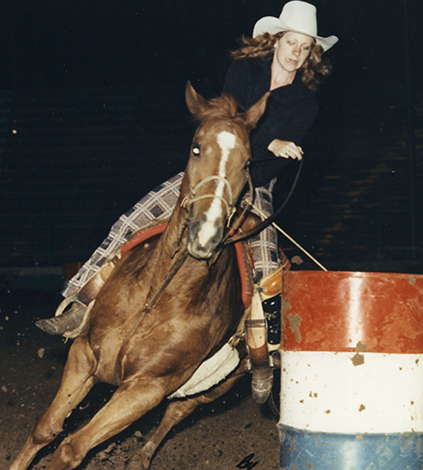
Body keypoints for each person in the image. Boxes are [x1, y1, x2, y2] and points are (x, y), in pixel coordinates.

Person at [35, 1, 338, 343]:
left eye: (305, 46)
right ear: (277, 40)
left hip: (255, 185)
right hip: (211, 174)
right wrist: (270, 142)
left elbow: (280, 160)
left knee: (268, 271)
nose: (296, 52)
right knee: (130, 221)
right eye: (291, 43)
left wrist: (276, 149)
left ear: (312, 52)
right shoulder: (244, 71)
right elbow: (224, 121)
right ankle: (78, 301)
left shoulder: (305, 104)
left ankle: (267, 350)